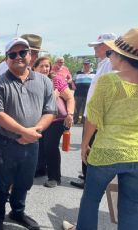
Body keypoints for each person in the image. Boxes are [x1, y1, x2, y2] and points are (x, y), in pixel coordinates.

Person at [64, 28, 138, 230]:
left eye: (111, 52)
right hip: (136, 153)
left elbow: (93, 118)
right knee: (131, 207)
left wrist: (85, 144)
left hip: (107, 150)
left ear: (122, 56)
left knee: (91, 199)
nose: (109, 56)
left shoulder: (109, 80)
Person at [0, 38, 56, 230]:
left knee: (25, 181)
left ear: (30, 55)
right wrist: (23, 131)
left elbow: (49, 111)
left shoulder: (44, 81)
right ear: (7, 59)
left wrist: (35, 131)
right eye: (12, 54)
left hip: (32, 142)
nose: (18, 57)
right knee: (2, 182)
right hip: (6, 142)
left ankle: (17, 212)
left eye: (22, 52)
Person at [69, 32, 117, 189]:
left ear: (107, 46)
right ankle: (87, 175)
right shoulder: (104, 62)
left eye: (98, 46)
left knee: (89, 145)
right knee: (89, 145)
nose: (95, 49)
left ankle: (89, 179)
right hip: (91, 113)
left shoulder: (111, 63)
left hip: (96, 115)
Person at [33, 57, 75, 188]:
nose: (45, 69)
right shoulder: (30, 81)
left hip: (57, 120)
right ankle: (41, 170)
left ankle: (55, 177)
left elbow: (70, 98)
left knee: (50, 147)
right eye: (42, 66)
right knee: (39, 146)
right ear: (34, 68)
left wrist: (70, 114)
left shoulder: (56, 80)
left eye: (47, 66)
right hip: (39, 120)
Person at [73, 59, 95, 124]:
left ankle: (84, 121)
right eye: (84, 64)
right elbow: (72, 80)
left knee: (86, 108)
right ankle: (74, 120)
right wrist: (73, 85)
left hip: (89, 94)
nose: (86, 65)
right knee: (76, 108)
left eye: (87, 64)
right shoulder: (78, 72)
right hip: (78, 93)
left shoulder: (95, 73)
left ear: (90, 64)